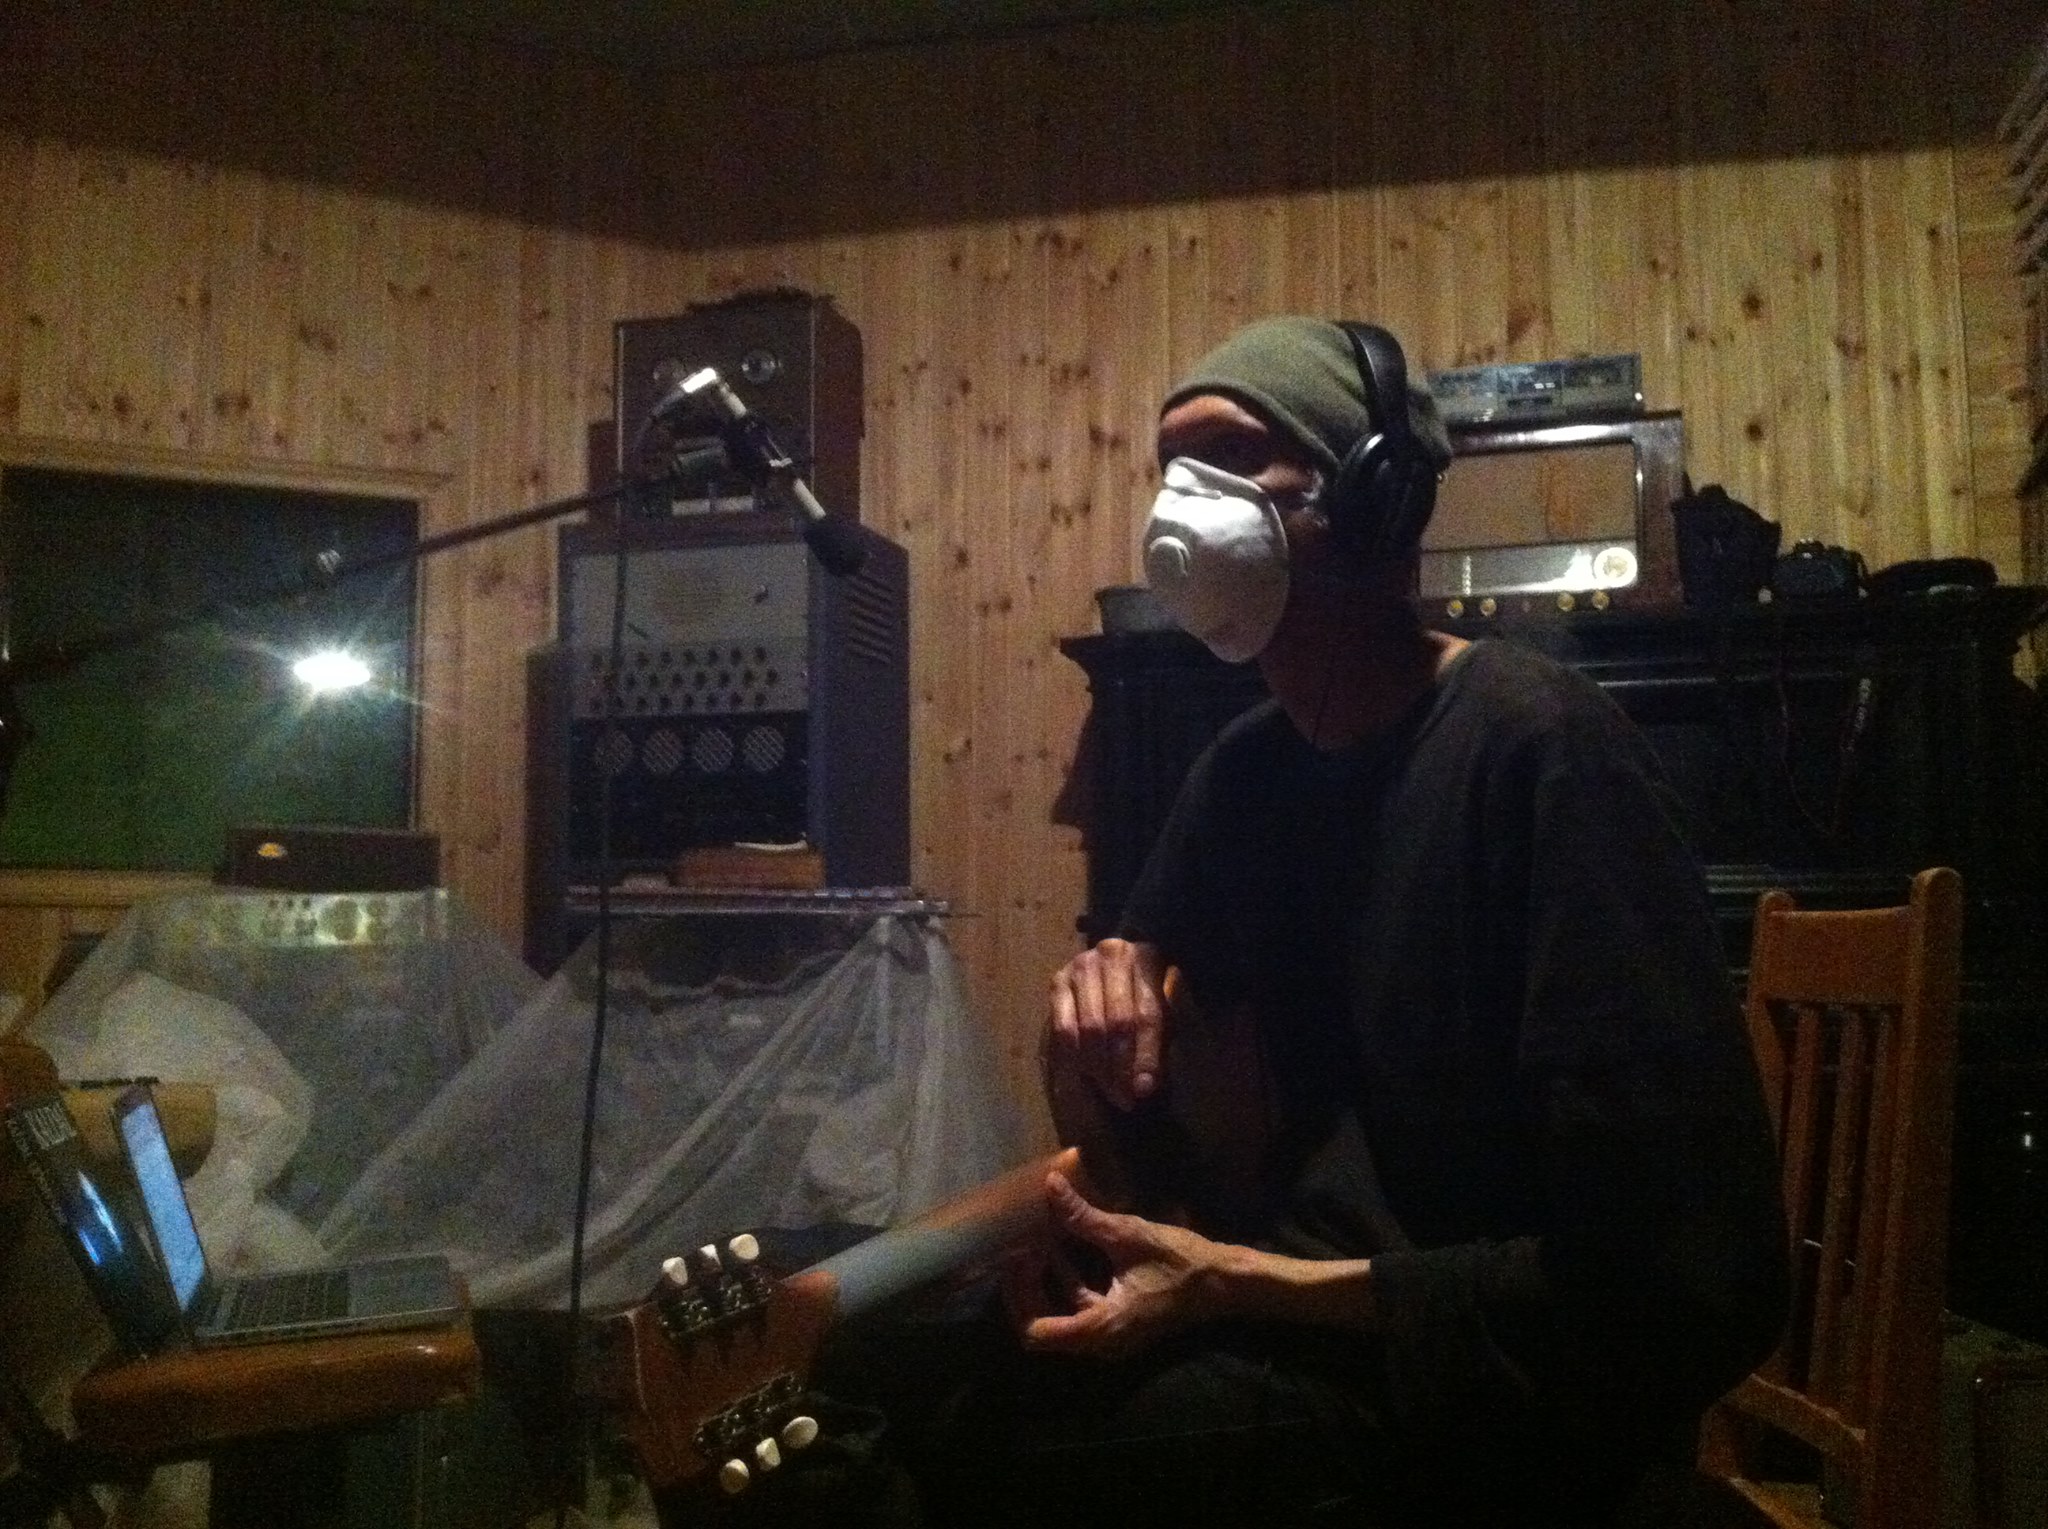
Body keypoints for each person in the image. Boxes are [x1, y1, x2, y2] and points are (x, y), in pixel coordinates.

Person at [1006, 315, 1791, 1525]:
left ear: (1374, 496)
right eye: (1170, 468)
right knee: (889, 1364)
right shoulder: (1242, 771)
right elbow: (1132, 1014)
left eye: (1231, 457)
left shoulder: (1544, 748)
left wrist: (1235, 1282)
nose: (1182, 505)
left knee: (974, 1446)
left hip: (1483, 1401)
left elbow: (1677, 1281)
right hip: (1293, 1331)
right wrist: (1104, 984)